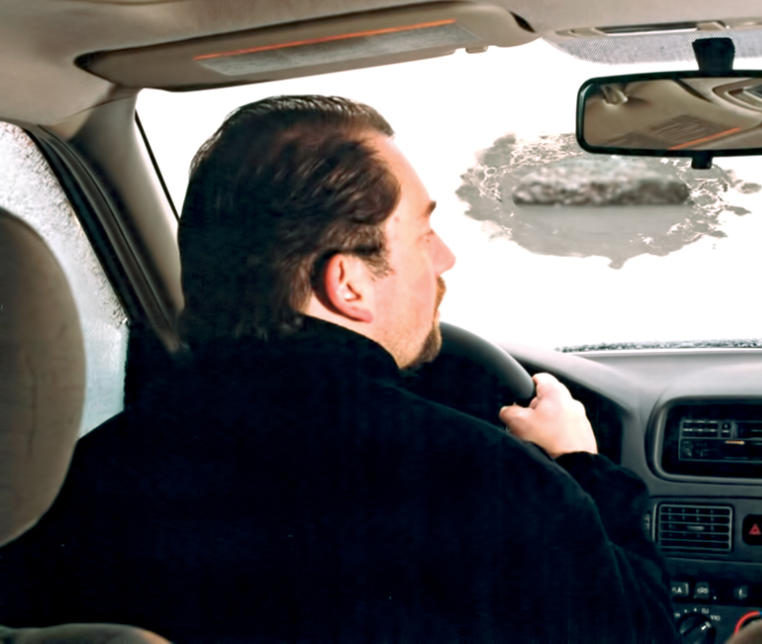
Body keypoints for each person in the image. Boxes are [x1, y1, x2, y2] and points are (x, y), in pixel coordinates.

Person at [0, 95, 677, 642]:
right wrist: (580, 469)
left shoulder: (64, 498)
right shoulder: (493, 483)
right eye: (421, 234)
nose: (444, 260)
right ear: (348, 284)